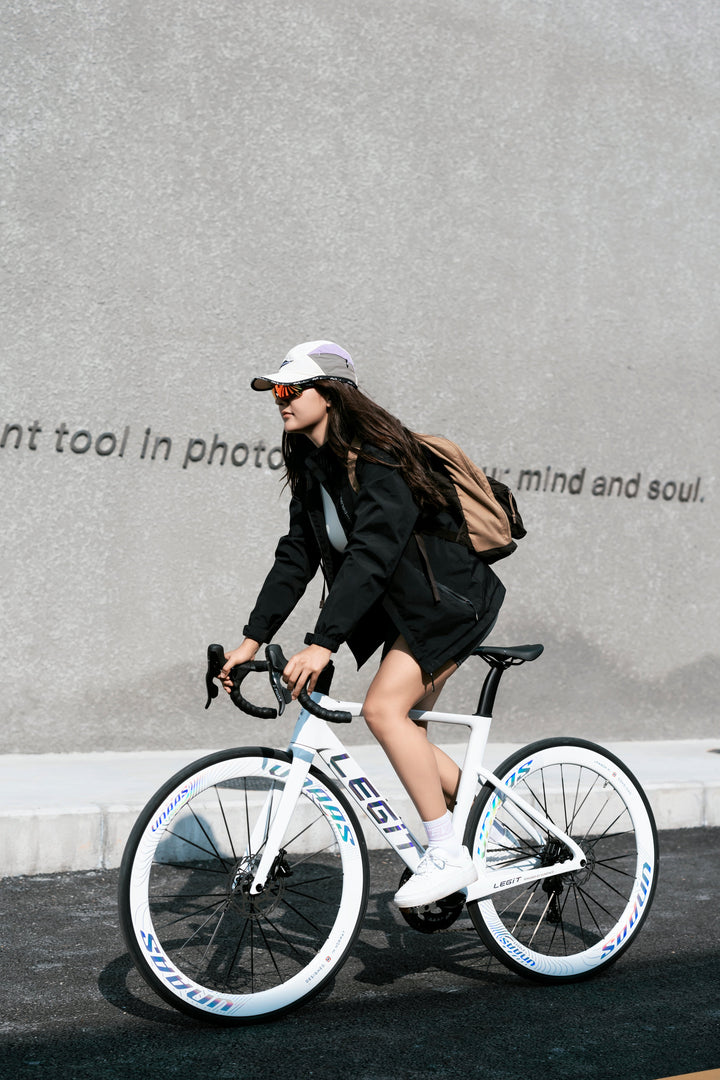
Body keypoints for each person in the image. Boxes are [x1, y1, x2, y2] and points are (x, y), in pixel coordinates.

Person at [218, 340, 505, 908]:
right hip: (410, 610)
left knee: (383, 711)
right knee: (406, 730)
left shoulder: (381, 456)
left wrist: (322, 644)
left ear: (329, 393)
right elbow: (296, 557)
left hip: (451, 603)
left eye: (290, 389)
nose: (280, 400)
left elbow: (373, 553)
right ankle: (505, 831)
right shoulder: (313, 465)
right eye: (275, 392)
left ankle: (447, 854)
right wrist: (252, 640)